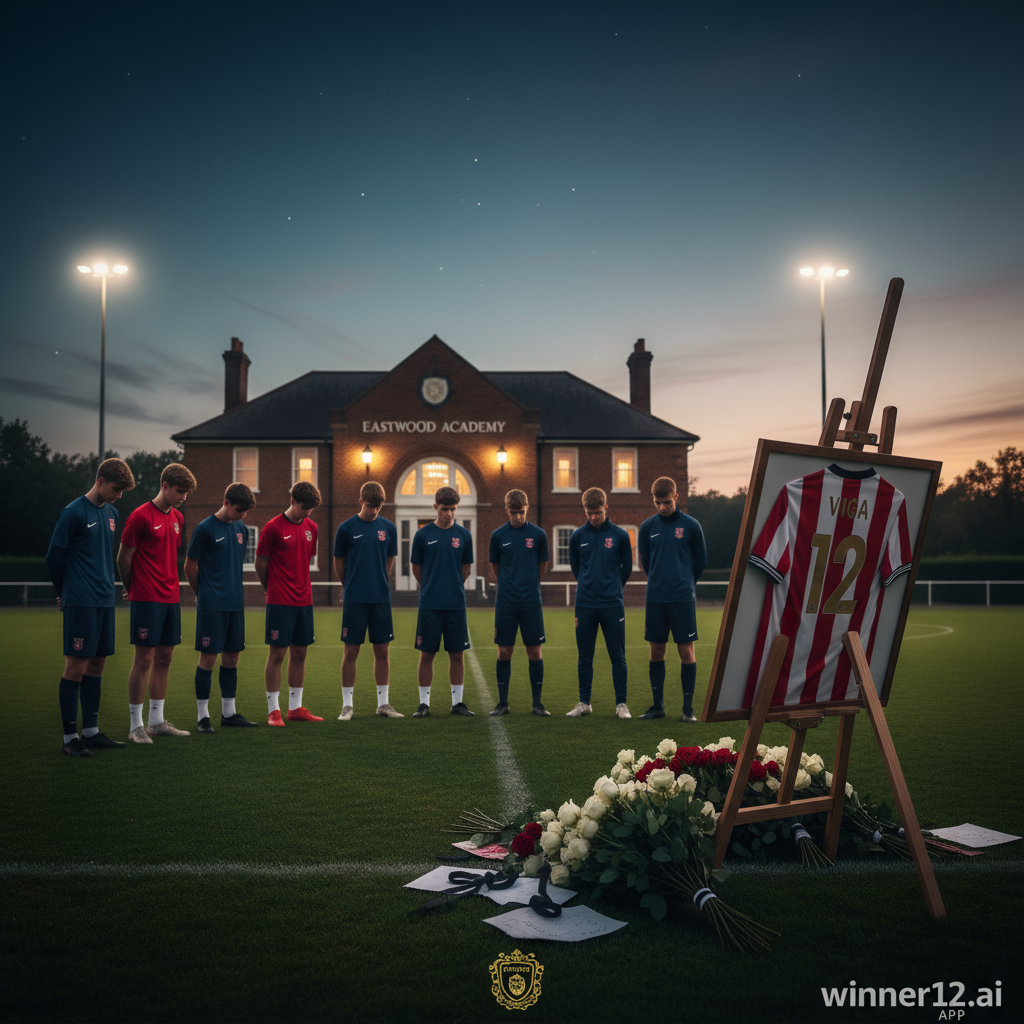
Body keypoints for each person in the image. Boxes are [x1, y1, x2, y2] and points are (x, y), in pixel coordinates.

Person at [46, 457, 136, 756]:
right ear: (100, 480)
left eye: (123, 491)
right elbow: (53, 558)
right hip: (80, 600)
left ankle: (91, 732)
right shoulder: (73, 513)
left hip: (103, 600)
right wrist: (64, 592)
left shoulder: (111, 512)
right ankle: (70, 738)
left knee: (98, 663)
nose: (119, 495)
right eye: (116, 488)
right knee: (77, 665)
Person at [117, 462, 197, 743]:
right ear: (165, 486)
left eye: (186, 493)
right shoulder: (140, 516)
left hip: (170, 598)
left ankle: (157, 721)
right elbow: (123, 558)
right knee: (144, 659)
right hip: (146, 597)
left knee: (165, 657)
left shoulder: (178, 518)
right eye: (179, 491)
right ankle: (135, 726)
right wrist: (131, 588)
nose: (183, 497)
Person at [183, 481, 259, 732]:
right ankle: (203, 717)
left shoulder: (242, 529)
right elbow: (189, 566)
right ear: (226, 503)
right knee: (208, 658)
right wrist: (201, 594)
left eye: (246, 511)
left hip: (235, 604)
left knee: (232, 657)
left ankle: (229, 714)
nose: (243, 515)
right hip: (212, 605)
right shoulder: (205, 529)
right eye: (239, 510)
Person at [637, 476, 707, 721]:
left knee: (686, 651)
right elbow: (646, 562)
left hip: (681, 599)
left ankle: (688, 710)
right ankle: (658, 707)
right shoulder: (647, 527)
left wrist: (684, 582)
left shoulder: (691, 526)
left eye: (666, 502)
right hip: (656, 598)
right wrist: (659, 580)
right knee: (656, 650)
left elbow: (701, 560)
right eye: (657, 503)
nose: (662, 507)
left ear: (676, 497)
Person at [255, 481, 323, 726]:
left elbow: (304, 560)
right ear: (293, 501)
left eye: (311, 509)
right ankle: (274, 711)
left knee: (300, 652)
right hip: (280, 601)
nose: (307, 513)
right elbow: (260, 564)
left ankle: (295, 708)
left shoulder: (312, 528)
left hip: (304, 601)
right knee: (277, 654)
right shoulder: (272, 527)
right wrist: (271, 589)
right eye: (304, 507)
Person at [333, 480, 402, 720]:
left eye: (379, 506)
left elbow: (389, 561)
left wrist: (379, 580)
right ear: (361, 501)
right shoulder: (346, 528)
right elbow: (339, 563)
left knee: (382, 650)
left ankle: (383, 704)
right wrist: (349, 585)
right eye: (371, 505)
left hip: (380, 597)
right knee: (351, 650)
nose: (375, 510)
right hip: (355, 598)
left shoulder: (389, 528)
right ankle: (347, 705)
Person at [566, 487, 634, 719]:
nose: (593, 517)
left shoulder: (620, 535)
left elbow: (627, 569)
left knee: (618, 656)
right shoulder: (577, 537)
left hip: (612, 604)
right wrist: (589, 586)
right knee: (585, 656)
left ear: (606, 507)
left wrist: (612, 588)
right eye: (588, 512)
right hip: (584, 604)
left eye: (597, 512)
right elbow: (577, 569)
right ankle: (584, 703)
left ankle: (621, 705)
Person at [410, 485, 474, 717]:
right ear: (436, 507)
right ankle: (424, 704)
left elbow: (466, 569)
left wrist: (452, 585)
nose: (449, 514)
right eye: (445, 509)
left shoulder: (464, 535)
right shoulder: (422, 535)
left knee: (457, 654)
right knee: (427, 654)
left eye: (453, 509)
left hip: (456, 603)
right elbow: (417, 568)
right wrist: (430, 585)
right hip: (429, 604)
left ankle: (457, 703)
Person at [487, 489, 550, 716]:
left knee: (534, 651)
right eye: (513, 513)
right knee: (505, 651)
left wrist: (529, 584)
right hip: (506, 602)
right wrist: (509, 584)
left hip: (531, 601)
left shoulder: (539, 535)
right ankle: (503, 703)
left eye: (521, 512)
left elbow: (541, 565)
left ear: (527, 509)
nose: (517, 517)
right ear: (506, 510)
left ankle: (537, 704)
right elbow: (496, 567)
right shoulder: (497, 536)